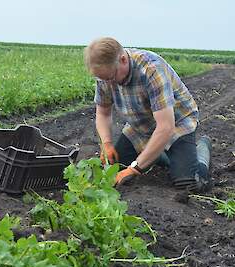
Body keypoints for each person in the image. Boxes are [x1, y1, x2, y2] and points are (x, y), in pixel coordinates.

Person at [84, 37, 211, 192]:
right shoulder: (105, 75)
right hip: (141, 124)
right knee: (116, 169)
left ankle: (203, 147)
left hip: (177, 123)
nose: (109, 83)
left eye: (111, 77)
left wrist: (135, 168)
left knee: (188, 183)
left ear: (123, 60)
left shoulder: (151, 70)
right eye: (103, 79)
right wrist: (107, 144)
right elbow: (103, 113)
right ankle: (158, 153)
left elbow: (165, 127)